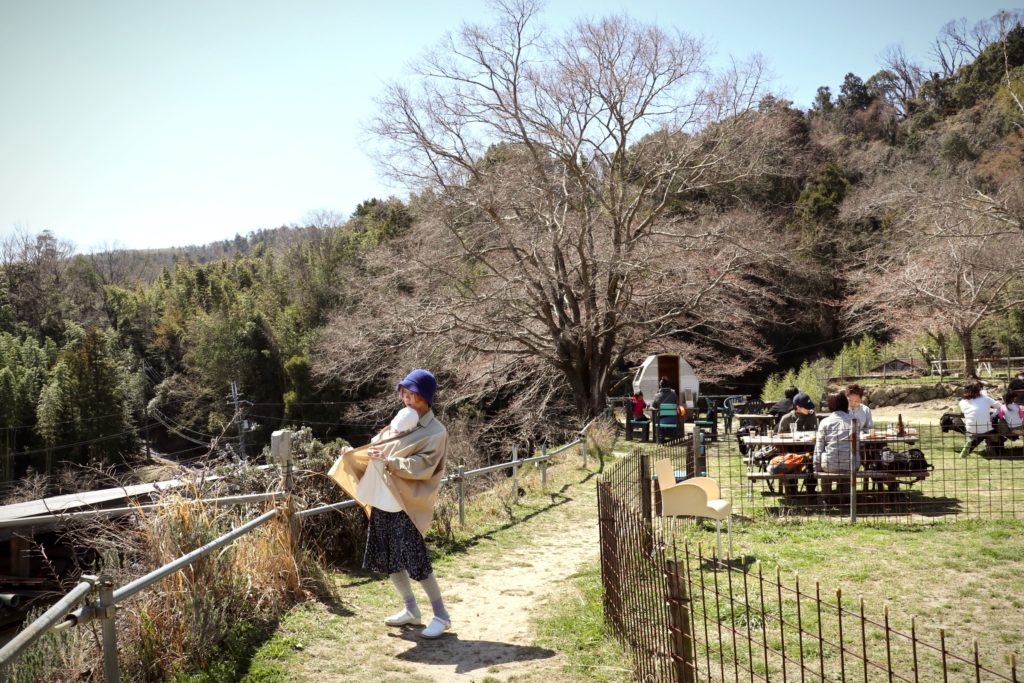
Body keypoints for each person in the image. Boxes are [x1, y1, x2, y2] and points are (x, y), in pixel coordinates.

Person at [338, 369, 452, 639]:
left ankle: (441, 615)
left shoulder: (436, 432)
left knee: (417, 562)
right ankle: (411, 610)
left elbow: (423, 466)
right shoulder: (398, 424)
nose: (406, 400)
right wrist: (353, 455)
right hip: (383, 500)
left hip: (406, 505)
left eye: (411, 394)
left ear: (425, 397)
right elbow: (375, 451)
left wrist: (390, 462)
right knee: (389, 560)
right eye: (404, 394)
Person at [813, 392, 858, 499]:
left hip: (830, 465)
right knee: (847, 461)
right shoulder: (855, 421)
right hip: (851, 464)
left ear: (830, 405)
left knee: (827, 462)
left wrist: (816, 465)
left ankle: (825, 497)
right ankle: (847, 497)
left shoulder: (825, 422)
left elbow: (819, 446)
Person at [958, 380, 998, 457]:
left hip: (970, 429)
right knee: (992, 426)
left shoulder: (962, 402)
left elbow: (964, 411)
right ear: (979, 390)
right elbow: (1000, 406)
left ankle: (969, 445)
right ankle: (993, 448)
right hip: (986, 429)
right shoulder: (985, 398)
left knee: (978, 430)